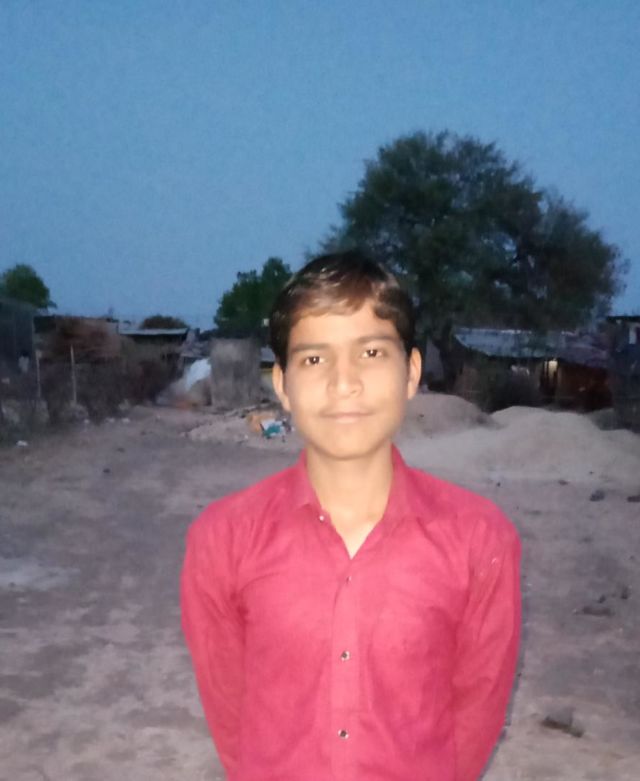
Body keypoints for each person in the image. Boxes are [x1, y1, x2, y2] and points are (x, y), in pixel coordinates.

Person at [181, 251, 521, 781]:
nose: (344, 382)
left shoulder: (480, 540)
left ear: (411, 373)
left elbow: (477, 711)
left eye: (371, 352)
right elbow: (231, 713)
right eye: (314, 360)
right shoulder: (222, 540)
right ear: (282, 384)